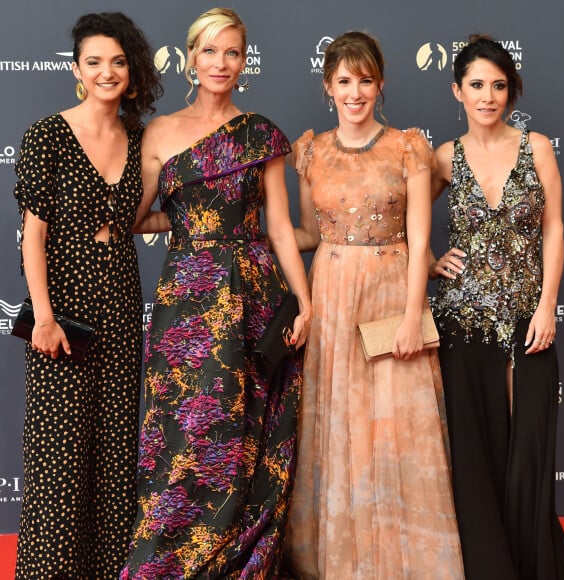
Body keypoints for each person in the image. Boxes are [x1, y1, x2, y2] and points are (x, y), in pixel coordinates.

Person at [120, 8, 312, 579]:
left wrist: (305, 303)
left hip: (255, 296)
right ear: (190, 59)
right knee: (186, 427)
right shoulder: (159, 132)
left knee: (250, 427)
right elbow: (137, 216)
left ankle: (239, 556)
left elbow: (280, 227)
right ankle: (171, 561)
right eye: (210, 52)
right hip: (188, 299)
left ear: (244, 60)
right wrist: (186, 228)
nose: (221, 63)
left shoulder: (261, 133)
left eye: (232, 52)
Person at [284, 31, 464, 579]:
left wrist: (414, 314)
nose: (355, 92)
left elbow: (417, 236)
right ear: (328, 87)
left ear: (380, 83)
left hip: (391, 293)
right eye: (344, 81)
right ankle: (341, 561)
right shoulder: (309, 150)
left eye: (365, 80)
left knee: (397, 428)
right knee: (341, 425)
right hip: (333, 294)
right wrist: (247, 235)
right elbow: (311, 233)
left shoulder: (408, 147)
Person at [13, 12, 162, 579]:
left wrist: (211, 224)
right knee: (57, 461)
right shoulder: (47, 134)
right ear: (77, 69)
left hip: (121, 306)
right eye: (95, 62)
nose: (107, 72)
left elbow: (140, 218)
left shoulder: (142, 138)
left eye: (118, 62)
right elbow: (34, 235)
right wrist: (45, 318)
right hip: (63, 311)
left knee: (113, 455)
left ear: (132, 69)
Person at [430, 34, 564, 579]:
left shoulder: (536, 146)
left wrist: (548, 305)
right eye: (476, 85)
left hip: (526, 317)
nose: (488, 96)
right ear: (457, 91)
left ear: (510, 91)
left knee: (530, 452)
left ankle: (533, 563)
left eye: (498, 85)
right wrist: (426, 262)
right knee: (477, 452)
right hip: (461, 323)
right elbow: (396, 221)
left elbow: (555, 228)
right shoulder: (444, 157)